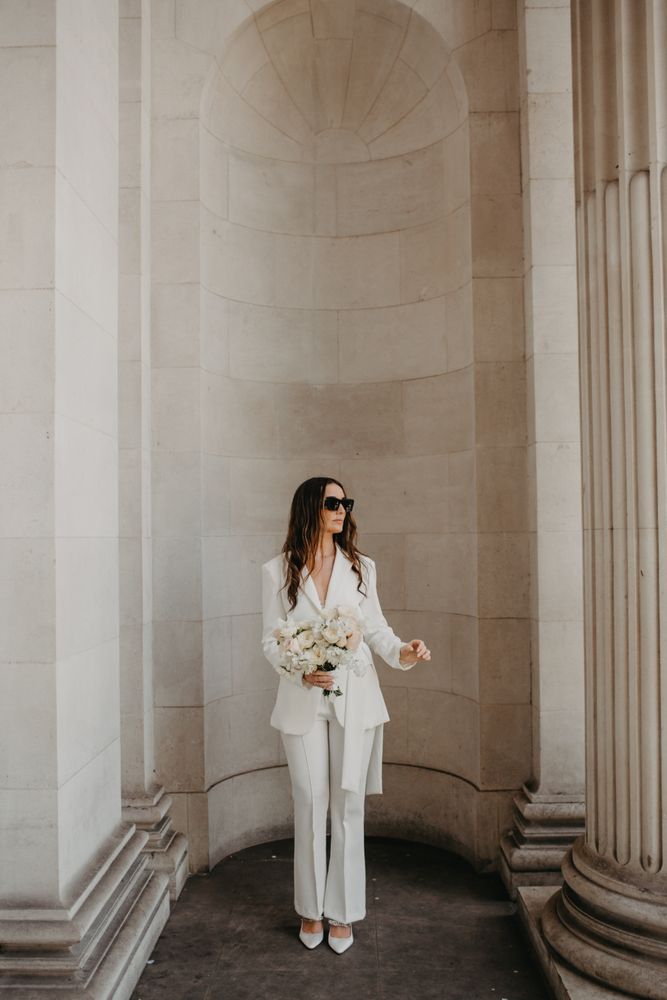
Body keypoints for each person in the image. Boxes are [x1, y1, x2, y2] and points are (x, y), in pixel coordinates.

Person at [260, 477, 431, 954]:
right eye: (333, 503)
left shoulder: (362, 567)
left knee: (348, 806)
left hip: (356, 699)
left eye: (345, 503)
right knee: (310, 802)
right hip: (303, 704)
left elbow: (376, 627)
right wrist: (299, 671)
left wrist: (404, 652)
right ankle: (310, 910)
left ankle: (343, 912)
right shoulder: (278, 571)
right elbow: (270, 640)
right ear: (311, 508)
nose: (342, 510)